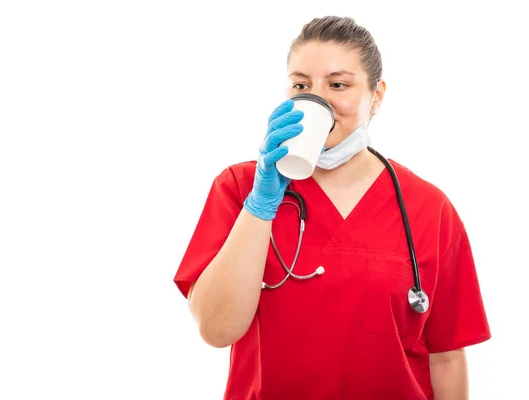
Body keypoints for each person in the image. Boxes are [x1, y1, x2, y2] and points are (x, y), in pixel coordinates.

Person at [173, 16, 491, 400]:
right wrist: (260, 206)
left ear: (376, 96)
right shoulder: (240, 189)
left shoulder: (428, 208)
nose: (317, 99)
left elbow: (447, 356)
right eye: (301, 85)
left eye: (338, 84)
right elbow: (216, 329)